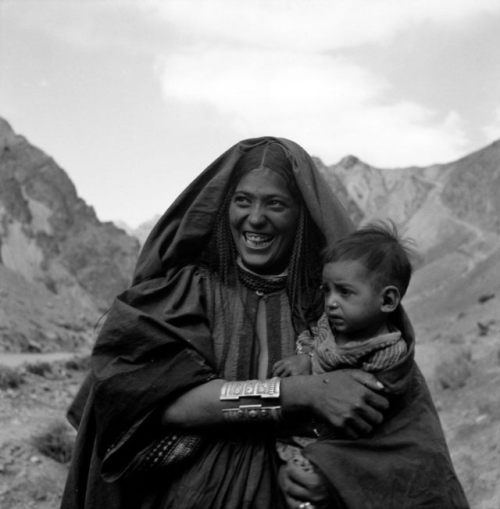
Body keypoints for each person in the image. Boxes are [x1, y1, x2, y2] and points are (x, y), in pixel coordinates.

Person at [61, 136, 390, 509]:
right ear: (225, 208)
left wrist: (334, 475)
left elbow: (384, 421)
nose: (255, 218)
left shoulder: (331, 306)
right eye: (242, 200)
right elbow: (163, 403)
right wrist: (304, 392)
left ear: (302, 216)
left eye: (276, 204)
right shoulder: (186, 293)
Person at [275, 223, 469, 508]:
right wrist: (305, 357)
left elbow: (362, 405)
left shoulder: (385, 352)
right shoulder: (332, 325)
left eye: (344, 292)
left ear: (388, 300)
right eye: (326, 291)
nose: (331, 303)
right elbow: (315, 339)